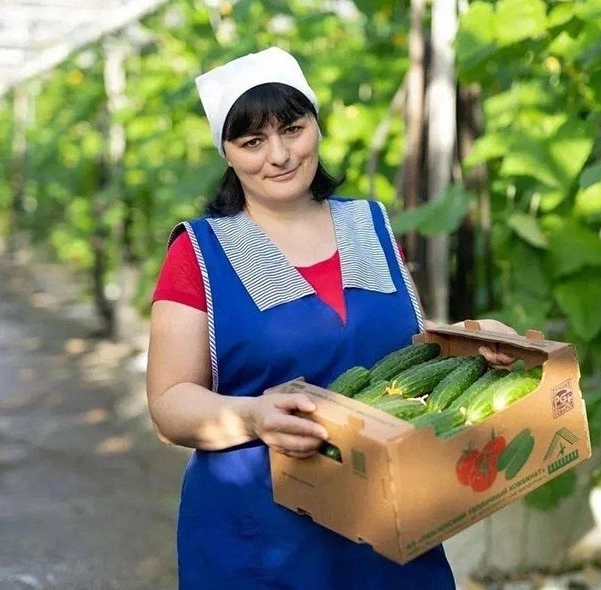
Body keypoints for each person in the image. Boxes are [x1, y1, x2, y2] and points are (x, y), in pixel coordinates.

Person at [145, 47, 515, 589]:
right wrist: (252, 417)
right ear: (226, 153)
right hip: (259, 534)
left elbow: (402, 346)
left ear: (316, 125)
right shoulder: (201, 251)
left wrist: (474, 342)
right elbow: (169, 403)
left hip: (386, 522)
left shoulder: (371, 225)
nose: (279, 155)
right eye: (252, 142)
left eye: (293, 129)